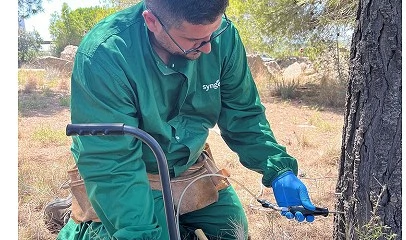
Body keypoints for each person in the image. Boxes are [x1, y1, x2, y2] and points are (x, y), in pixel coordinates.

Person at [56, 0, 317, 239]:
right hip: (133, 171)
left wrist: (278, 169)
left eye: (212, 34)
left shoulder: (222, 38)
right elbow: (112, 163)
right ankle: (83, 222)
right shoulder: (105, 55)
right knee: (143, 233)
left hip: (190, 168)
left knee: (232, 232)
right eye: (193, 40)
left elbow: (244, 114)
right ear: (152, 22)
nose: (208, 48)